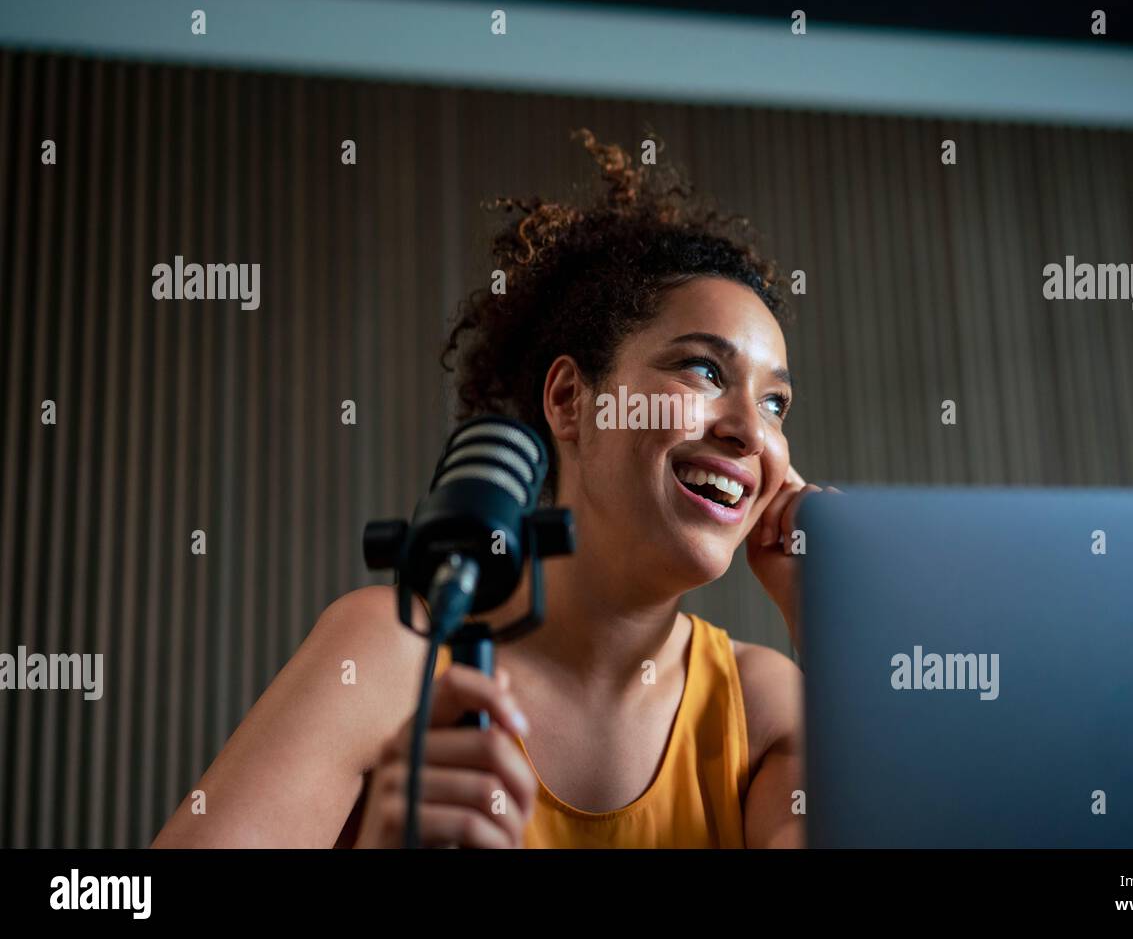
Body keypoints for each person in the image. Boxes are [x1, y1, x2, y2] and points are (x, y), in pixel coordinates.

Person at [152, 128, 826, 849]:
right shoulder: (392, 652)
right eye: (703, 371)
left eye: (775, 403)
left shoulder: (767, 709)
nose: (752, 433)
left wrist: (836, 623)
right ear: (570, 399)